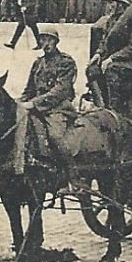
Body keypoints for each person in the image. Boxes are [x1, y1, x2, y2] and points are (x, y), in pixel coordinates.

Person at [19, 28, 78, 178]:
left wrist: (34, 103)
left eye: (50, 40)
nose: (46, 43)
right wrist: (18, 103)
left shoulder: (66, 62)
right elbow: (29, 89)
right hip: (37, 108)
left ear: (56, 42)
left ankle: (72, 176)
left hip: (58, 108)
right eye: (43, 40)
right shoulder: (38, 63)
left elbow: (60, 91)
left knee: (55, 136)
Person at [89, 0, 132, 110]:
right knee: (92, 70)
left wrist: (112, 58)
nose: (109, 6)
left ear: (120, 5)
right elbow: (105, 41)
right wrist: (99, 54)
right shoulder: (112, 20)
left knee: (111, 70)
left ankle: (115, 109)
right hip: (118, 60)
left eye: (112, 3)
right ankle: (100, 106)